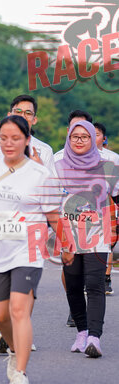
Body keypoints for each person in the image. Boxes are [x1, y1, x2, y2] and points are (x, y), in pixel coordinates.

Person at [0, 115, 68, 384]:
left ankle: (20, 374)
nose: (9, 143)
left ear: (27, 140)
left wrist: (66, 244)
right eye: (4, 138)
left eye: (16, 138)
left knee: (19, 309)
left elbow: (53, 215)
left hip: (29, 251)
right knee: (0, 316)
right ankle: (13, 349)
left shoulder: (40, 175)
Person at [55, 120, 119, 358]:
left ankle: (94, 337)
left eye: (85, 136)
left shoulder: (107, 168)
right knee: (73, 286)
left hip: (97, 233)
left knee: (94, 285)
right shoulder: (58, 166)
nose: (80, 140)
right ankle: (81, 332)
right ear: (69, 139)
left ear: (94, 139)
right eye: (75, 136)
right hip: (68, 234)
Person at [0, 94, 55, 173]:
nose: (22, 116)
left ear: (34, 120)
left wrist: (41, 170)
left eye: (28, 113)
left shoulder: (44, 151)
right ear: (9, 115)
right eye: (18, 112)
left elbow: (53, 180)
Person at [94, 122, 119, 295]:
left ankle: (106, 278)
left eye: (96, 134)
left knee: (107, 242)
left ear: (104, 138)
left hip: (108, 203)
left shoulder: (113, 158)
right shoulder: (77, 157)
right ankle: (91, 277)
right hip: (86, 206)